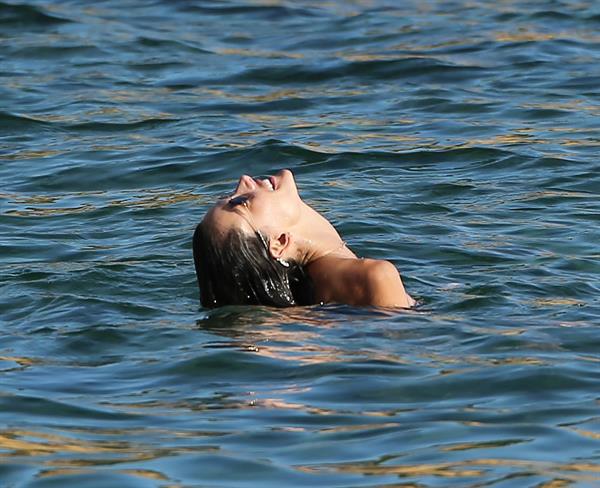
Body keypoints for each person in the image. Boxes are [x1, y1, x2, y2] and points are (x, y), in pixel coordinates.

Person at [193, 169, 415, 309]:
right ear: (280, 242)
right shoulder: (375, 276)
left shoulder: (312, 297)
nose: (243, 180)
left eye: (227, 195)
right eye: (240, 201)